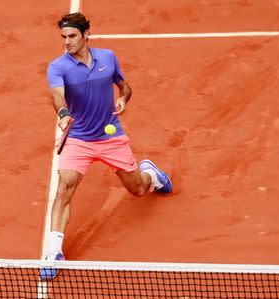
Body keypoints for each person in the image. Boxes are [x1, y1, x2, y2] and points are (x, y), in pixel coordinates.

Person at [39, 12, 172, 280]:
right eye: (63, 37)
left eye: (72, 36)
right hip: (78, 138)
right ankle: (53, 251)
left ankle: (151, 174)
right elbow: (57, 94)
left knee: (137, 189)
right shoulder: (58, 67)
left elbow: (125, 87)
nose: (67, 42)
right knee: (64, 187)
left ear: (86, 34)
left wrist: (123, 100)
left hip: (110, 137)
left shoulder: (108, 58)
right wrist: (63, 113)